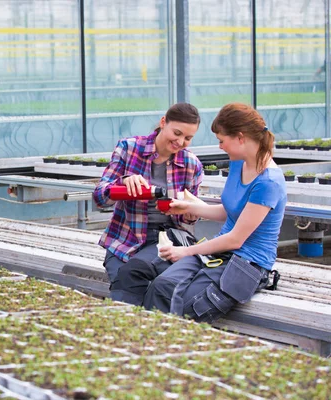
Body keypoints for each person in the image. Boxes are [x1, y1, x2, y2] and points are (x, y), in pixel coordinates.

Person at [143, 102, 286, 323]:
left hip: (247, 263)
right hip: (220, 254)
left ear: (240, 137)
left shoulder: (268, 182)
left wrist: (186, 251)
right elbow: (230, 211)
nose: (220, 147)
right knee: (161, 287)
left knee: (185, 310)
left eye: (221, 141)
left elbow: (236, 239)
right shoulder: (239, 163)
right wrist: (189, 206)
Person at [92, 103, 203, 304]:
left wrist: (190, 212)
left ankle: (131, 329)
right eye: (176, 133)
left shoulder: (191, 164)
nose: (180, 142)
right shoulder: (128, 148)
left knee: (131, 276)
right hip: (124, 239)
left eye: (188, 138)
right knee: (125, 280)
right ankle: (147, 329)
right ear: (163, 122)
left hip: (164, 240)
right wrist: (123, 183)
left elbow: (186, 218)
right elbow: (100, 198)